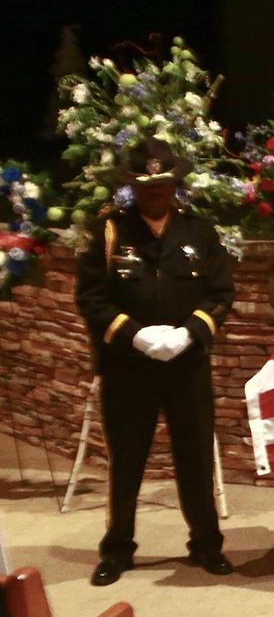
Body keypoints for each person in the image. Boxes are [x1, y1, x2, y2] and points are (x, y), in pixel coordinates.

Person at [75, 138, 235, 585]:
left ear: (174, 182)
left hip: (186, 365)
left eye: (162, 183)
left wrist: (191, 331)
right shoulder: (110, 231)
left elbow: (221, 294)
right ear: (132, 185)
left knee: (196, 457)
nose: (155, 192)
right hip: (129, 367)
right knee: (126, 460)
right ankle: (117, 548)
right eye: (146, 185)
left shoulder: (198, 230)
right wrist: (135, 334)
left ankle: (206, 544)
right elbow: (90, 297)